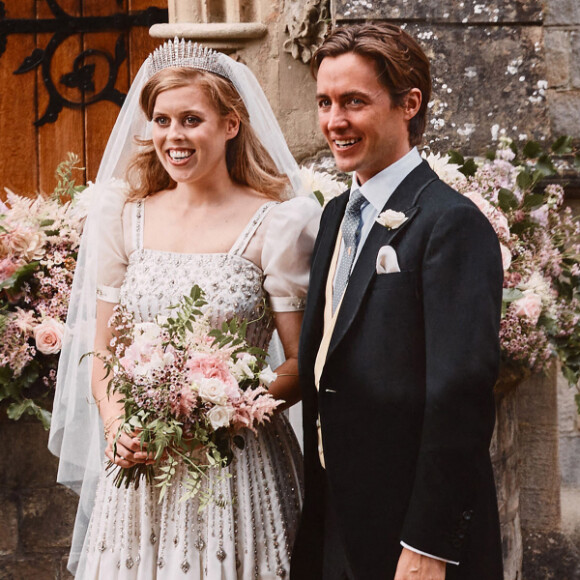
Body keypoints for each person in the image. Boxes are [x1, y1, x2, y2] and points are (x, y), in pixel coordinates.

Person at [48, 38, 320, 578]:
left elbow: (299, 364)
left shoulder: (279, 224)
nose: (173, 136)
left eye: (191, 119)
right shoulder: (123, 218)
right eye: (162, 120)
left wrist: (222, 406)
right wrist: (117, 421)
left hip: (236, 463)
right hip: (143, 466)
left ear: (230, 124)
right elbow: (102, 354)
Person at [291, 22, 504, 580]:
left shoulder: (450, 223)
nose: (335, 121)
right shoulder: (337, 215)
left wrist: (429, 545)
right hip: (337, 516)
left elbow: (460, 396)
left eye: (354, 102)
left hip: (411, 531)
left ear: (409, 104)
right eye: (325, 102)